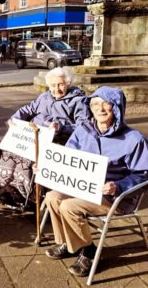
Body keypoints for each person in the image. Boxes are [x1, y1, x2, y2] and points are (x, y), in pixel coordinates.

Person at [44, 86, 148, 277]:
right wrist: (46, 168)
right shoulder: (82, 131)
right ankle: (68, 243)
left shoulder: (134, 139)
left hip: (114, 197)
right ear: (90, 107)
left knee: (68, 206)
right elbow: (66, 158)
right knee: (51, 197)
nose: (100, 109)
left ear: (116, 108)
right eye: (95, 104)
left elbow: (143, 175)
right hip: (83, 188)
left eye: (106, 104)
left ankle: (90, 252)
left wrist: (118, 186)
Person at [0, 67, 90, 206]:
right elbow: (27, 110)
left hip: (58, 139)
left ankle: (18, 192)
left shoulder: (78, 101)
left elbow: (84, 126)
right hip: (34, 134)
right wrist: (14, 119)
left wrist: (61, 127)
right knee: (10, 149)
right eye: (53, 85)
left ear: (68, 83)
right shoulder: (44, 97)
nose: (56, 89)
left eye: (60, 84)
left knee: (29, 155)